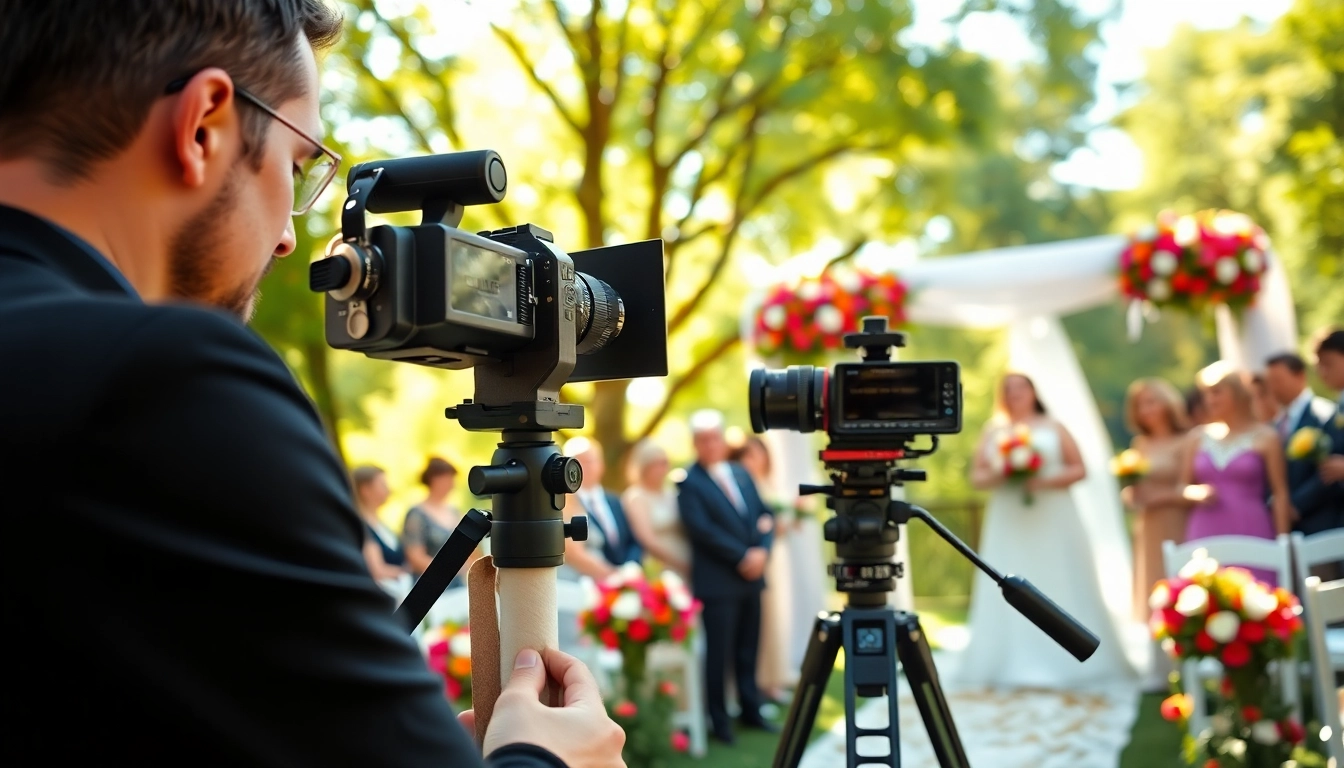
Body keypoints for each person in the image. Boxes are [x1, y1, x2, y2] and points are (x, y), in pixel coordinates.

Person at [0, 2, 624, 764]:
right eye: (297, 167)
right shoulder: (166, 383)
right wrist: (547, 759)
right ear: (203, 126)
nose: (293, 235)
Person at [954, 373, 1134, 689]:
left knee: (1059, 577)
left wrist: (1044, 480)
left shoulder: (1053, 425)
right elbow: (977, 478)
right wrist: (1003, 472)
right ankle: (1011, 658)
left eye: (1020, 388)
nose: (1014, 394)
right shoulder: (994, 430)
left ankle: (1071, 654)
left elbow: (1080, 469)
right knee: (1010, 577)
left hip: (1053, 515)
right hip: (1010, 518)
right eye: (1007, 389)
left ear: (1033, 391)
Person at [678, 410, 777, 744]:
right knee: (718, 656)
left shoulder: (740, 473)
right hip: (718, 583)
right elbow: (702, 532)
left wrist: (762, 551)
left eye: (715, 437)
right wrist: (743, 556)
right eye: (703, 439)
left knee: (749, 649)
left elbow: (765, 515)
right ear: (695, 443)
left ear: (722, 439)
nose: (710, 444)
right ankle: (719, 722)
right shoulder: (689, 483)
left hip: (752, 577)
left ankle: (752, 711)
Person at [1181, 363, 1293, 583]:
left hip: (1251, 528)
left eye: (1217, 392)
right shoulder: (1196, 438)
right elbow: (1181, 486)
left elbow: (1280, 493)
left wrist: (1283, 543)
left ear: (1238, 393)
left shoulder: (1266, 437)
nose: (1209, 400)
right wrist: (1193, 493)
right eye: (1206, 394)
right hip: (1205, 528)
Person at [730, 435, 795, 703]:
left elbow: (771, 517)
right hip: (753, 559)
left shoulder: (764, 482)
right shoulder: (742, 482)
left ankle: (772, 679)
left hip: (771, 558)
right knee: (759, 625)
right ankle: (759, 683)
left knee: (772, 620)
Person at [1121, 379, 1191, 622]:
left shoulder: (1187, 440)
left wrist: (1157, 498)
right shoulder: (1140, 444)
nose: (1146, 410)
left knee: (1178, 580)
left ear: (1167, 402)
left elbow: (1187, 489)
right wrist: (1131, 496)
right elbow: (1135, 491)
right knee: (1152, 586)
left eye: (1151, 402)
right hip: (1148, 526)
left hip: (1176, 522)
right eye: (1140, 405)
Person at [1265, 352, 1339, 537]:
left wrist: (1295, 505)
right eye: (1270, 382)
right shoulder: (1275, 424)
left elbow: (1330, 467)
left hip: (1320, 523)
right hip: (1284, 526)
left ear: (1300, 376)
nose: (1273, 388)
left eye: (1278, 380)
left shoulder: (1324, 414)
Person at [560, 437, 641, 581]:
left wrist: (631, 568)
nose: (586, 467)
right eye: (578, 462)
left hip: (623, 581)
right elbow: (573, 553)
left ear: (602, 464)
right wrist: (614, 576)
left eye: (590, 461)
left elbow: (632, 539)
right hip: (584, 583)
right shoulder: (564, 503)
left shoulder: (615, 501)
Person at [620, 438, 690, 578]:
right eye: (656, 464)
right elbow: (647, 539)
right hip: (661, 567)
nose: (661, 469)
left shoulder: (672, 493)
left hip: (687, 563)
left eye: (664, 463)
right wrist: (679, 562)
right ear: (644, 467)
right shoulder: (636, 496)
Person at [404, 456, 477, 582]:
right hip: (431, 582)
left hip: (458, 582)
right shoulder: (417, 514)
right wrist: (446, 571)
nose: (451, 484)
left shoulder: (454, 512)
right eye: (447, 479)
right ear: (434, 480)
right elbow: (415, 556)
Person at [353, 464, 410, 590]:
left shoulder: (381, 524)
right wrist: (406, 572)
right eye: (382, 485)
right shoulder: (362, 527)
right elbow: (377, 570)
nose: (389, 490)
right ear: (365, 490)